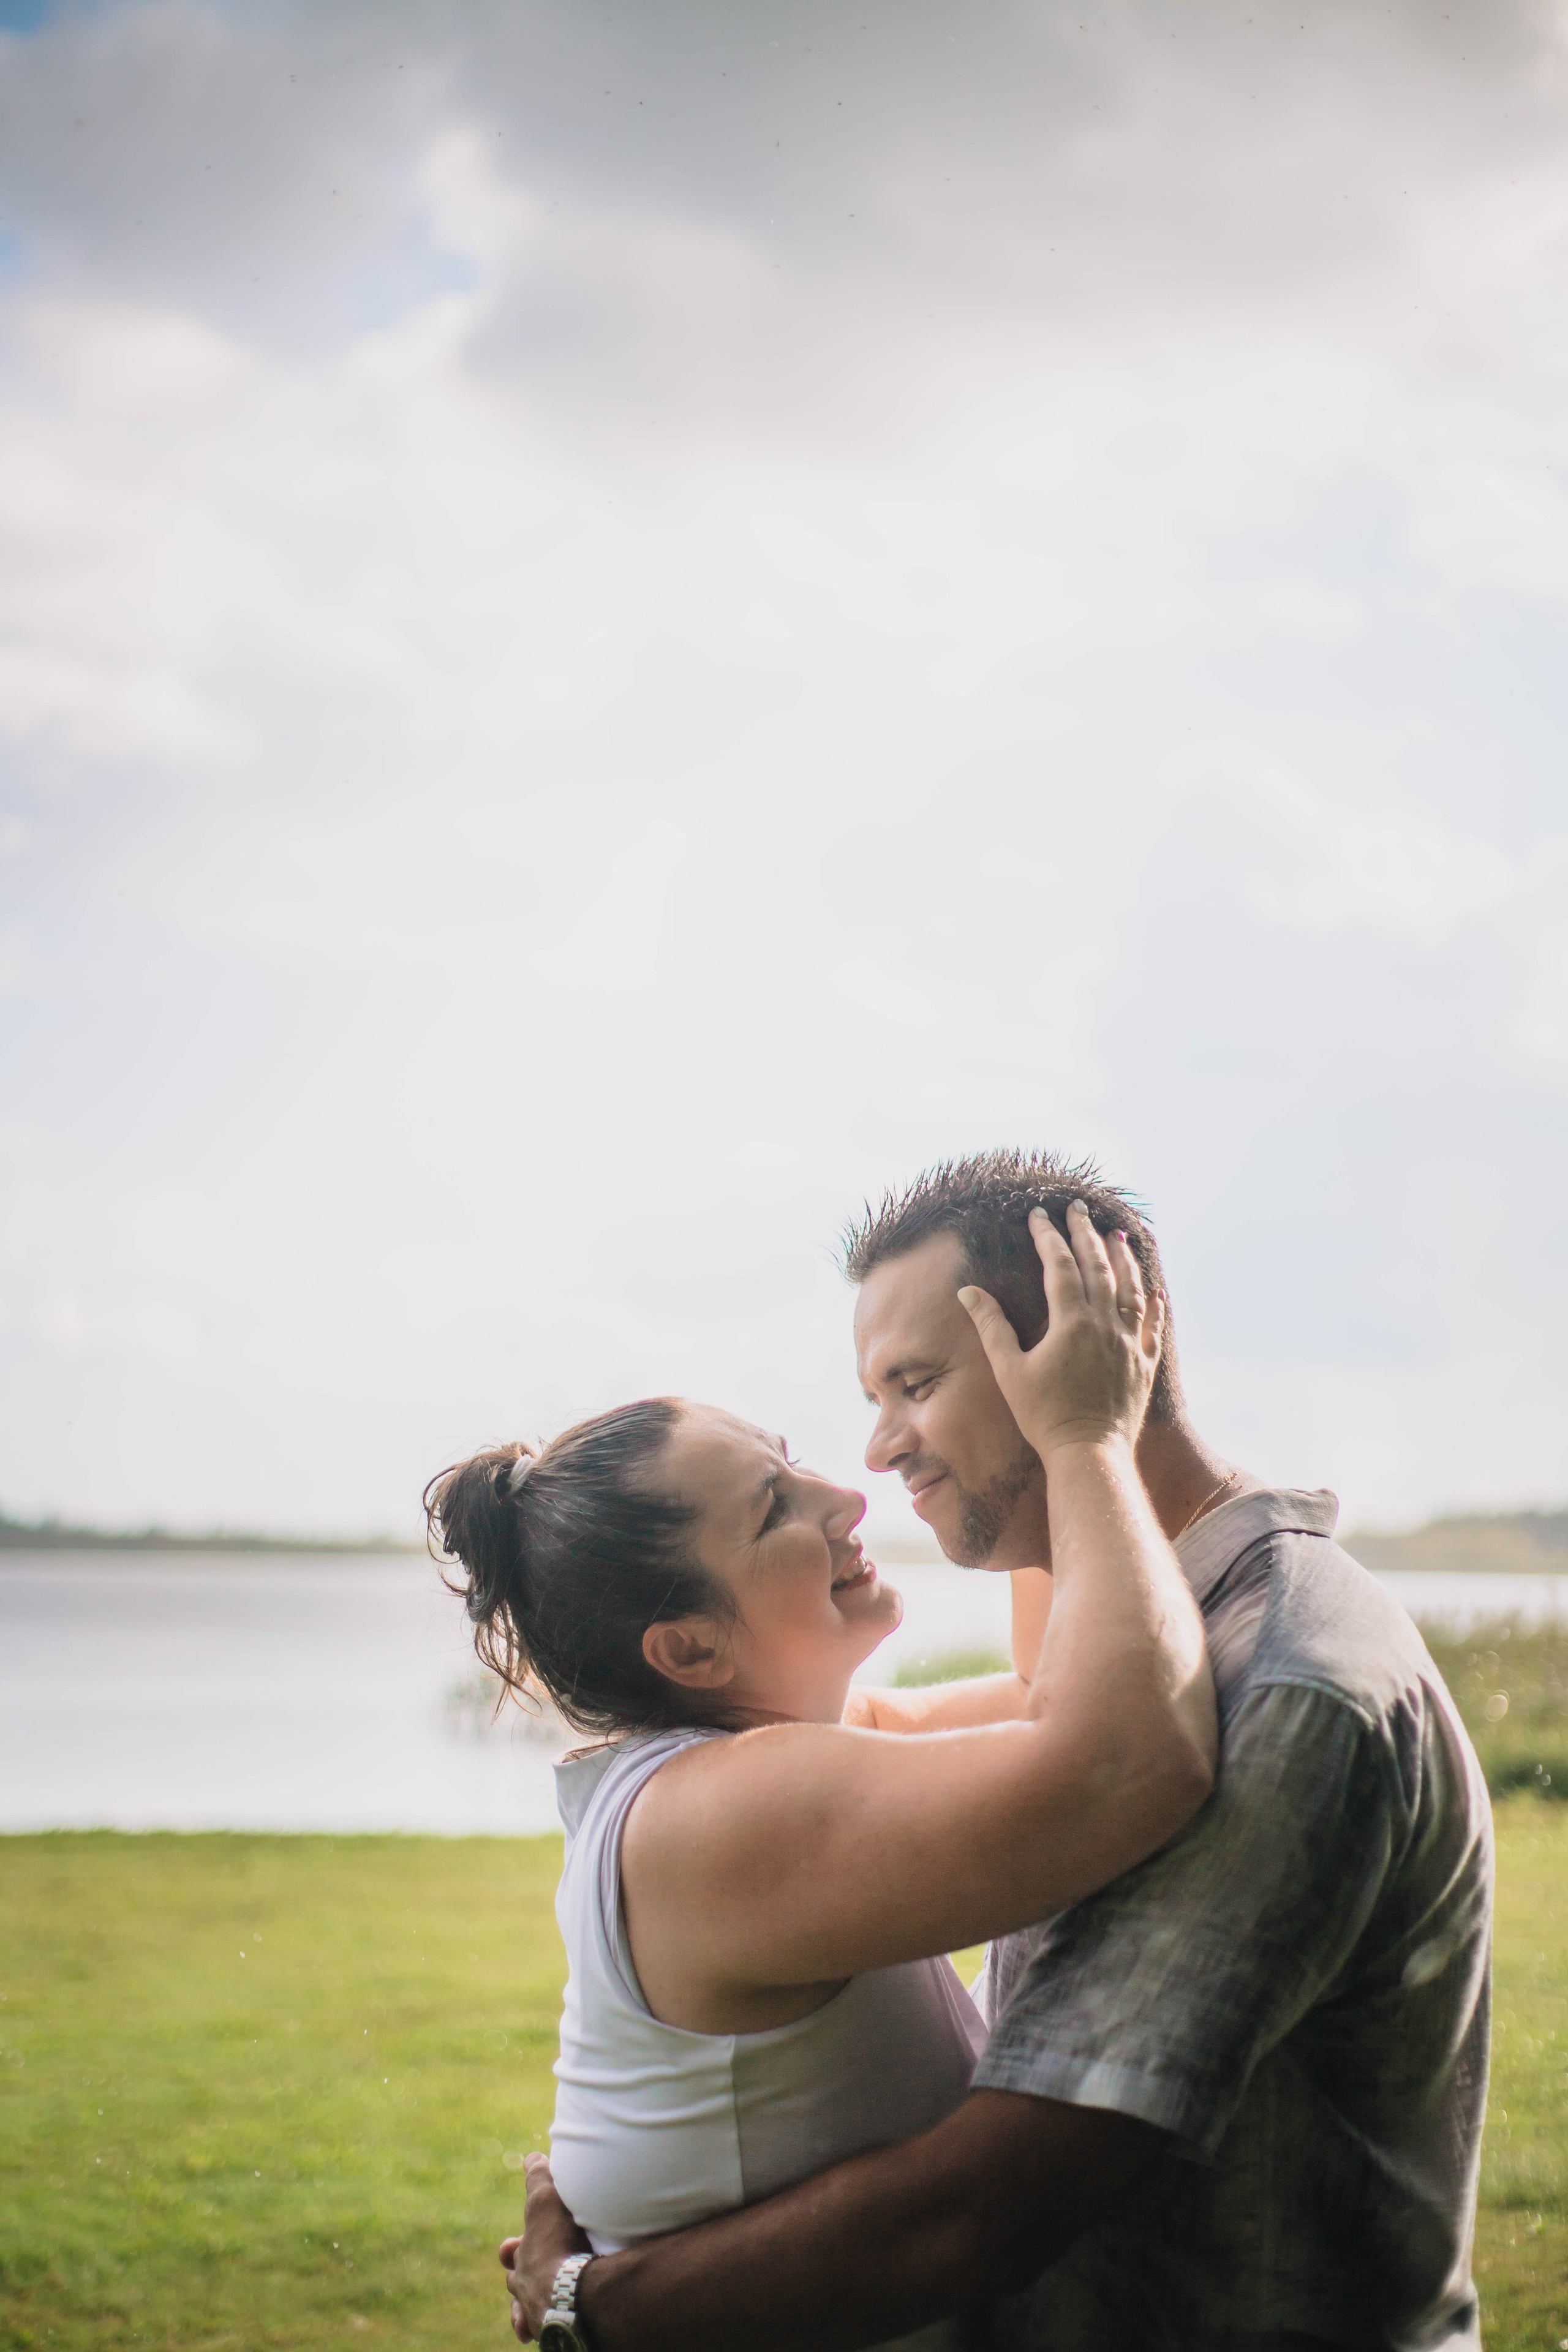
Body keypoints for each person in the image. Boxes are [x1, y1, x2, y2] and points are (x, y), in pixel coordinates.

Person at [507, 1148, 1494, 2352]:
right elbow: (1074, 1720)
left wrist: (588, 2308)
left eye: (912, 1383)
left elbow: (1079, 1738)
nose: (868, 1461)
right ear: (686, 1648)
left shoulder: (1284, 1691)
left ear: (1084, 1347)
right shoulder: (734, 1797)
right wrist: (1072, 1449)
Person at [427, 1204, 1216, 2352]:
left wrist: (1023, 1447)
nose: (847, 1496)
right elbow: (1124, 1762)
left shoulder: (748, 1776)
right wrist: (1081, 1438)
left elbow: (1058, 1695)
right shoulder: (720, 1817)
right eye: (773, 1512)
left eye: (791, 1462)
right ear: (688, 1650)